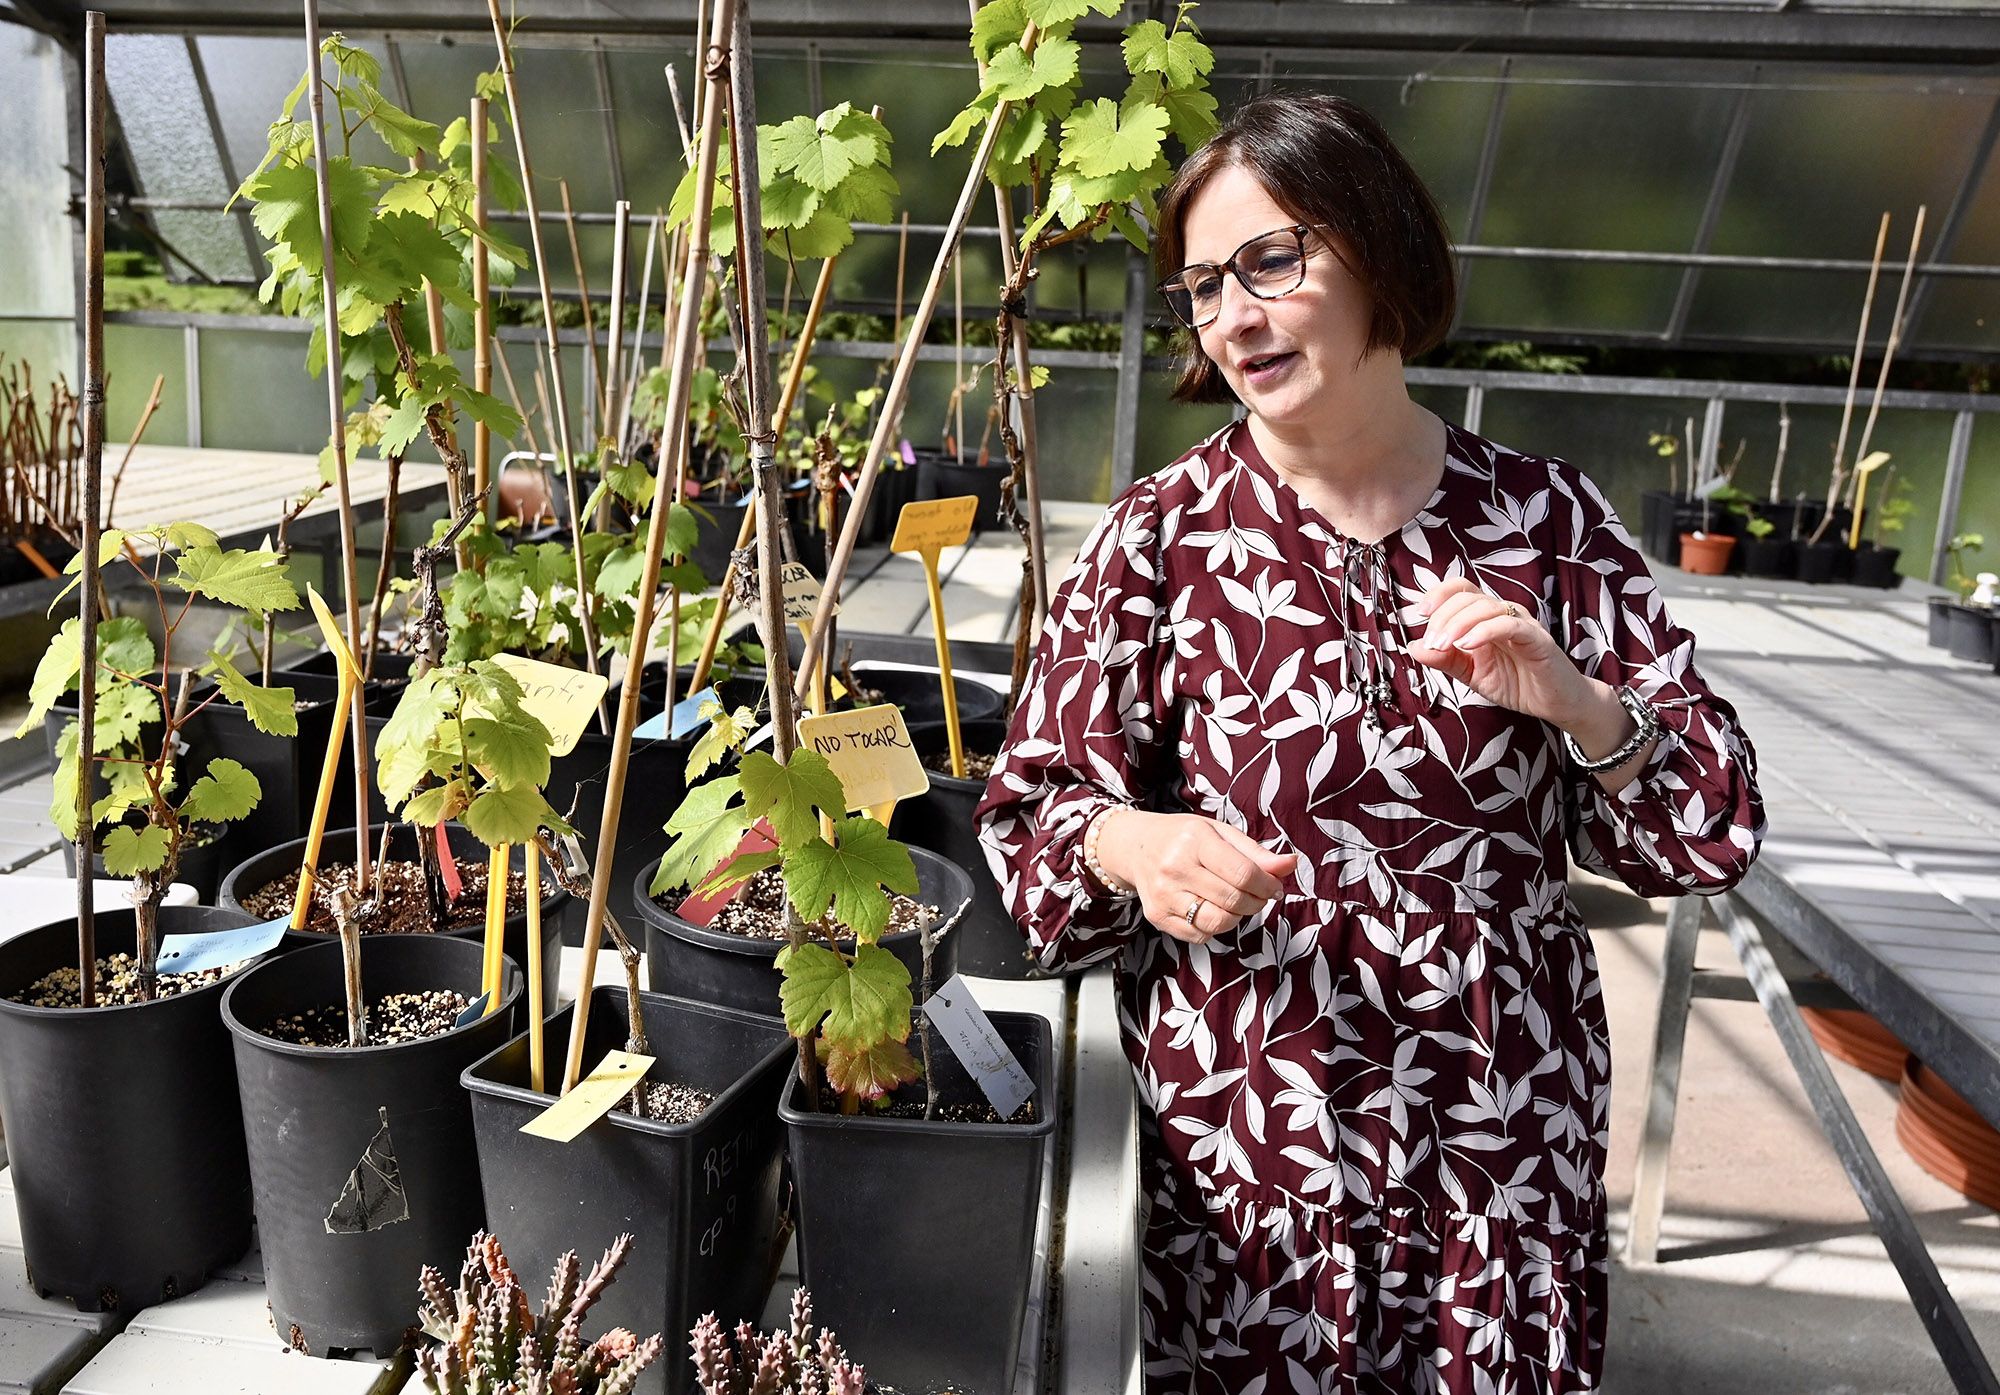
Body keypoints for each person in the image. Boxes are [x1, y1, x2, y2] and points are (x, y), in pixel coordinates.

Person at [974, 93, 1764, 1394]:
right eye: (1203, 287)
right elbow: (1027, 817)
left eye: (1271, 261)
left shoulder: (1543, 523)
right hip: (1254, 1170)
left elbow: (1712, 827)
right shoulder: (1161, 539)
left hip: (1495, 1153)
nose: (1232, 315)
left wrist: (1584, 709)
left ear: (1378, 245)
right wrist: (1135, 841)